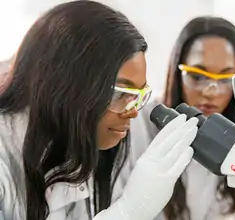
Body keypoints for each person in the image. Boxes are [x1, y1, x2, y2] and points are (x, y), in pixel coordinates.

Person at [0, 1, 199, 220]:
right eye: (118, 93)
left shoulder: (77, 149)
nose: (132, 112)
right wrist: (129, 212)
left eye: (137, 96)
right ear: (61, 83)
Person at [121, 16, 235, 220]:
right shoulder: (138, 122)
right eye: (198, 76)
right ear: (177, 72)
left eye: (225, 79)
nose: (211, 91)